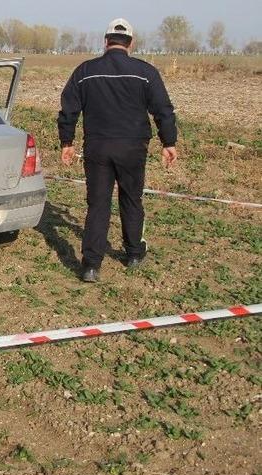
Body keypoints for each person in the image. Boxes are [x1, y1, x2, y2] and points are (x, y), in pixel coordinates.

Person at [57, 18, 178, 283]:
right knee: (131, 199)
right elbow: (163, 110)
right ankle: (134, 253)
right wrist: (168, 142)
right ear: (131, 43)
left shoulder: (85, 71)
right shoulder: (145, 72)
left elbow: (68, 110)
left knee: (98, 204)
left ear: (105, 41)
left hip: (97, 147)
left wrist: (67, 142)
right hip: (133, 148)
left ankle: (90, 266)